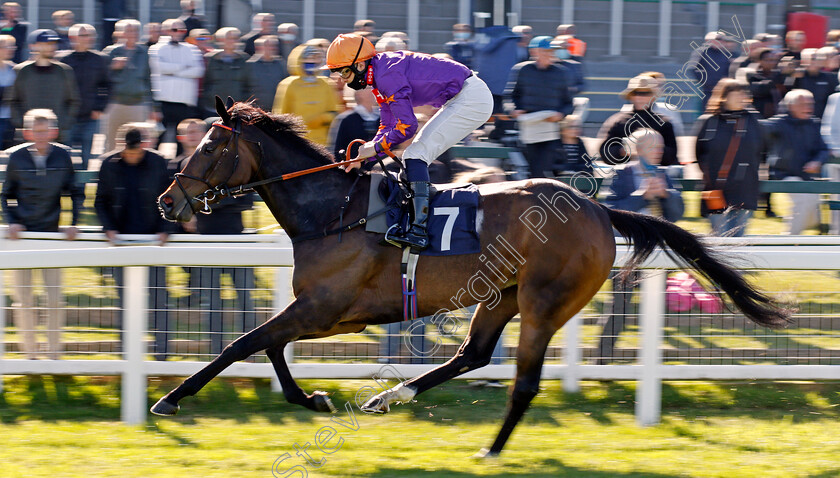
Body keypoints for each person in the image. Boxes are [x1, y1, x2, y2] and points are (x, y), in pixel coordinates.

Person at [324, 33, 493, 251]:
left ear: (360, 64)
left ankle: (419, 231)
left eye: (345, 71)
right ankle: (415, 224)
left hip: (471, 99)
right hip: (462, 97)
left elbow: (407, 127)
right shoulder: (379, 75)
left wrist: (374, 148)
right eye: (338, 73)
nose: (342, 79)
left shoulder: (386, 75)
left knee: (414, 155)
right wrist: (363, 159)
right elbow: (387, 126)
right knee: (413, 156)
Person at [0, 109, 83, 359]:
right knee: (24, 300)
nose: (40, 136)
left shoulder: (63, 156)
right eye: (35, 131)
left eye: (45, 130)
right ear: (27, 133)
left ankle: (54, 354)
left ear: (53, 131)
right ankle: (30, 356)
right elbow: (6, 195)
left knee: (55, 299)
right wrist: (12, 222)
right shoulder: (15, 158)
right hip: (23, 239)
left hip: (51, 237)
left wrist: (73, 223)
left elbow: (76, 192)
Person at [599, 128, 683, 364]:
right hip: (628, 253)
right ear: (637, 150)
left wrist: (667, 195)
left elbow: (679, 213)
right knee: (619, 309)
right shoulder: (619, 174)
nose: (658, 152)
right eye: (652, 147)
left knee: (657, 309)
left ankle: (651, 362)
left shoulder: (664, 175)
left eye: (660, 147)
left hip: (658, 251)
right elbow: (609, 212)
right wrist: (641, 195)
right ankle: (601, 362)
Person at [95, 126, 176, 359]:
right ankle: (127, 354)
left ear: (143, 145)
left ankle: (163, 355)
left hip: (153, 242)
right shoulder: (109, 164)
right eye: (128, 150)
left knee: (160, 298)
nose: (132, 154)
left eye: (136, 150)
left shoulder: (159, 163)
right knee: (125, 300)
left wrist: (166, 230)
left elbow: (171, 199)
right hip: (122, 243)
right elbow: (100, 201)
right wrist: (108, 228)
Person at [694, 79, 762, 236]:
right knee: (720, 239)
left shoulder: (753, 121)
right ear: (724, 96)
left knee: (738, 240)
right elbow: (699, 153)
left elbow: (762, 150)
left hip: (745, 188)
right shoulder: (709, 122)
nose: (742, 97)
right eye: (737, 93)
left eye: (744, 93)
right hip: (717, 189)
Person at [506, 35, 574, 178]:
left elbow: (568, 103)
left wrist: (560, 114)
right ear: (534, 52)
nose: (550, 55)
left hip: (550, 129)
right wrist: (513, 110)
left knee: (543, 169)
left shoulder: (560, 72)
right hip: (528, 128)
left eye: (551, 51)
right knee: (533, 170)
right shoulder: (522, 70)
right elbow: (510, 96)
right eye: (546, 51)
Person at [764, 89, 829, 234]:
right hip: (784, 174)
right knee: (803, 200)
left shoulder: (814, 124)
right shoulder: (777, 124)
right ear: (791, 106)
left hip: (807, 176)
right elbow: (757, 132)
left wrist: (817, 162)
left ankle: (797, 234)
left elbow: (823, 150)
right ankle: (789, 238)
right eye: (803, 104)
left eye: (810, 104)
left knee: (812, 205)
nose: (808, 108)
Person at [5, 29, 80, 145]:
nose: (52, 47)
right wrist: (22, 123)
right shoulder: (21, 71)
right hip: (29, 135)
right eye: (47, 44)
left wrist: (64, 123)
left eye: (53, 44)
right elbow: (12, 100)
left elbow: (73, 100)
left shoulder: (64, 71)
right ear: (33, 46)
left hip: (58, 135)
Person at [56, 24, 111, 170]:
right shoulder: (62, 59)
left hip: (90, 116)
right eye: (84, 35)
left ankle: (81, 190)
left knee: (86, 155)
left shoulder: (100, 60)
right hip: (68, 116)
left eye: (90, 35)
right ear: (72, 37)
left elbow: (106, 85)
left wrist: (100, 107)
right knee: (65, 154)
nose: (88, 39)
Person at [597, 75, 678, 166]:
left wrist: (653, 149)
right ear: (631, 96)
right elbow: (605, 153)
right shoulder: (617, 122)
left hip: (656, 174)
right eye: (636, 93)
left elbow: (671, 156)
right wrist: (623, 151)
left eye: (646, 93)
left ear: (653, 96)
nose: (640, 97)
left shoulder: (663, 123)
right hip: (626, 175)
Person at [102, 19, 157, 153]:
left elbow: (148, 79)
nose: (133, 34)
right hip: (115, 103)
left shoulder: (144, 53)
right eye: (129, 30)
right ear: (121, 33)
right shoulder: (110, 52)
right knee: (112, 141)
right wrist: (112, 67)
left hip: (138, 104)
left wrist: (153, 107)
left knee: (138, 141)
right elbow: (100, 78)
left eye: (135, 30)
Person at [148, 18, 204, 146]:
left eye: (182, 29)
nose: (178, 32)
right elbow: (159, 67)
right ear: (165, 31)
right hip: (163, 101)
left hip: (185, 103)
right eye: (174, 29)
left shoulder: (192, 49)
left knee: (183, 141)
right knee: (158, 138)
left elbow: (198, 71)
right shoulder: (156, 48)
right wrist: (184, 68)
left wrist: (171, 70)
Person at [273, 44, 337, 146]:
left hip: (322, 142)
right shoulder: (289, 84)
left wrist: (323, 119)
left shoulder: (327, 84)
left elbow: (335, 112)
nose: (312, 62)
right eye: (307, 59)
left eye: (315, 59)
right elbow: (280, 116)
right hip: (297, 141)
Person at [201, 27, 250, 114]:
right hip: (212, 108)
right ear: (221, 40)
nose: (232, 41)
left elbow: (248, 84)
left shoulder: (244, 59)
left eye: (235, 38)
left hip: (236, 110)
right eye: (229, 38)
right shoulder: (210, 59)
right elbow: (205, 83)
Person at [689, 32, 741, 110]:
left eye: (723, 40)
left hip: (724, 90)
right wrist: (705, 81)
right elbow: (692, 68)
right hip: (707, 91)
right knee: (707, 112)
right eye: (718, 39)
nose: (721, 41)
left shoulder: (727, 53)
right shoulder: (701, 52)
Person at [329, 87, 379, 160]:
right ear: (357, 93)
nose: (373, 90)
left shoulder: (383, 119)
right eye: (368, 88)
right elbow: (337, 150)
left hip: (383, 168)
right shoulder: (346, 119)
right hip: (355, 168)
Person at [792, 49, 838, 119]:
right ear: (803, 61)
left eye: (819, 58)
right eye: (812, 58)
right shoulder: (797, 77)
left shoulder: (830, 78)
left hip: (822, 119)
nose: (816, 61)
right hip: (799, 121)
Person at [247, 35, 287, 111]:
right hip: (255, 111)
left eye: (273, 46)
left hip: (275, 109)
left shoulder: (281, 64)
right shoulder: (250, 65)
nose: (271, 48)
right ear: (259, 47)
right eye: (267, 46)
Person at [0, 34, 16, 148]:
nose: (11, 50)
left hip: (10, 119)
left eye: (13, 46)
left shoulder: (14, 69)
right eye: (7, 47)